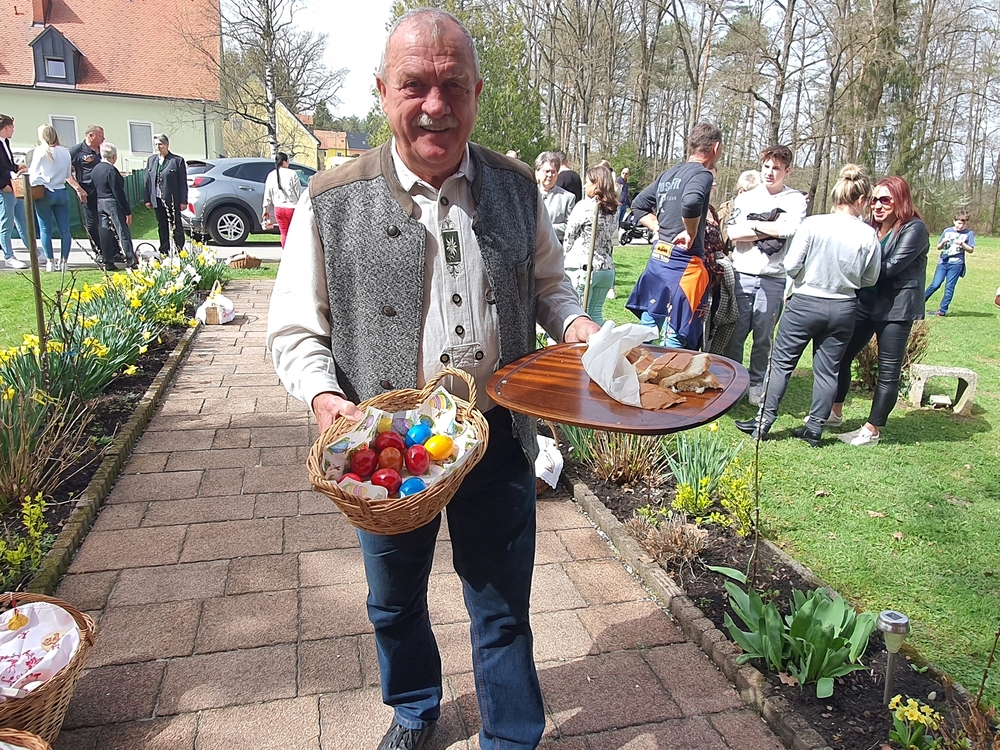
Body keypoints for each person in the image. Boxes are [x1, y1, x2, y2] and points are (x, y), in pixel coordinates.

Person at [265, 9, 599, 750]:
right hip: (384, 453)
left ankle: (511, 736)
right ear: (383, 90)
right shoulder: (330, 199)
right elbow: (295, 328)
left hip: (497, 439)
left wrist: (577, 326)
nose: (435, 105)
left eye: (453, 86)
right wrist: (325, 398)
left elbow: (550, 286)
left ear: (477, 92)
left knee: (503, 607)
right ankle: (415, 709)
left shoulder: (517, 188)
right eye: (415, 84)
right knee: (392, 602)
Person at [735, 164, 881, 445]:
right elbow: (871, 278)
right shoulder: (867, 234)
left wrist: (806, 277)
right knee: (828, 369)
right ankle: (814, 427)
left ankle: (763, 421)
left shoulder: (813, 224)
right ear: (861, 200)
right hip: (843, 306)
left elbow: (791, 265)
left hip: (805, 302)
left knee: (781, 363)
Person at [831, 176, 929, 446]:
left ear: (901, 200)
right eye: (874, 200)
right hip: (866, 303)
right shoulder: (869, 227)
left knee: (888, 372)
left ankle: (872, 429)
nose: (878, 205)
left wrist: (848, 270)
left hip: (896, 309)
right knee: (840, 356)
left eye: (886, 200)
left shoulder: (914, 228)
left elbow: (889, 268)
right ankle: (835, 412)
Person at [625, 121, 723, 350]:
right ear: (716, 147)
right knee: (676, 337)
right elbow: (691, 202)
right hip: (684, 266)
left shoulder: (669, 174)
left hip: (658, 262)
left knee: (647, 329)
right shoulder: (703, 174)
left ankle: (640, 370)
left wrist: (657, 227)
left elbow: (638, 204)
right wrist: (690, 231)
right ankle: (667, 373)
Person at [723, 146, 807, 404]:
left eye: (777, 168)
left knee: (763, 337)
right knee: (735, 334)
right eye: (767, 167)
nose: (770, 173)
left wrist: (754, 224)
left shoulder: (794, 200)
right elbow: (733, 233)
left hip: (773, 278)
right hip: (742, 273)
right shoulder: (747, 198)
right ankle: (733, 384)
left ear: (787, 171)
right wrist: (772, 227)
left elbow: (791, 230)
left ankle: (757, 383)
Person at [563, 165, 618, 325]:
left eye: (587, 182)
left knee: (578, 316)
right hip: (606, 267)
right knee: (596, 314)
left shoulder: (585, 206)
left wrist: (564, 258)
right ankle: (599, 341)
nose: (584, 186)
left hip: (584, 267)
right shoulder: (614, 209)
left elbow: (569, 236)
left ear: (596, 184)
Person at [29, 125, 73, 273]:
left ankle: (50, 261)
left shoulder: (40, 151)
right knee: (65, 229)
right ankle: (64, 262)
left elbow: (33, 176)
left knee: (45, 229)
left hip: (46, 191)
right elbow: (67, 174)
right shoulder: (65, 151)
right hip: (62, 191)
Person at [90, 142, 136, 270]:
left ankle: (108, 261)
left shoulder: (95, 169)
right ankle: (131, 260)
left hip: (100, 201)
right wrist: (127, 211)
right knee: (122, 230)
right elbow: (118, 192)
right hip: (112, 202)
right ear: (114, 156)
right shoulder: (111, 170)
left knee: (104, 231)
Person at [142, 133, 187, 257]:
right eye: (156, 144)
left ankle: (179, 249)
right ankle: (164, 250)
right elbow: (147, 181)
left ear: (167, 145)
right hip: (157, 198)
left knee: (176, 224)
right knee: (162, 225)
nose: (158, 147)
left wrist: (183, 200)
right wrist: (147, 198)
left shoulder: (177, 161)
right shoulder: (152, 160)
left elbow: (182, 182)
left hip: (172, 198)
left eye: (160, 144)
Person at [924, 210, 974, 316]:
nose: (961, 226)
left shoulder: (969, 233)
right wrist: (943, 242)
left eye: (963, 223)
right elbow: (938, 247)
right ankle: (919, 303)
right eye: (959, 223)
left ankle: (942, 311)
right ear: (954, 221)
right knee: (935, 284)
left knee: (949, 287)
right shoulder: (947, 231)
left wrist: (962, 244)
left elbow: (971, 250)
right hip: (943, 262)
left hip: (957, 264)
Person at [67, 124, 105, 257]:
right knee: (92, 223)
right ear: (91, 136)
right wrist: (78, 188)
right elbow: (66, 172)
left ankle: (113, 251)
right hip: (87, 191)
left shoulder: (103, 149)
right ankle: (99, 251)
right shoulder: (76, 151)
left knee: (107, 220)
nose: (103, 139)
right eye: (101, 136)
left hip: (104, 190)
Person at [0, 114, 29, 269]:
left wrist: (18, 167)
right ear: (6, 127)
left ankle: (34, 251)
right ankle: (8, 256)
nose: (13, 130)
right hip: (5, 189)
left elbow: (6, 165)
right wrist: (2, 185)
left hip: (14, 187)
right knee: (7, 223)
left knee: (23, 221)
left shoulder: (6, 142)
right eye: (12, 127)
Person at [262, 152, 302, 247]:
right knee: (295, 233)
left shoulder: (271, 175)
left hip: (278, 209)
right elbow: (298, 192)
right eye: (288, 161)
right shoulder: (292, 173)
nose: (289, 163)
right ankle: (294, 251)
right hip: (292, 208)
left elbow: (267, 195)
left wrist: (265, 210)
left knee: (284, 233)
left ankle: (285, 252)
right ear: (284, 162)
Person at [535, 151, 575, 244]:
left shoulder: (568, 198)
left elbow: (571, 227)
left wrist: (547, 228)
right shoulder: (529, 194)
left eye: (553, 172)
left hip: (556, 246)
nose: (550, 175)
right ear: (537, 173)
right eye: (547, 171)